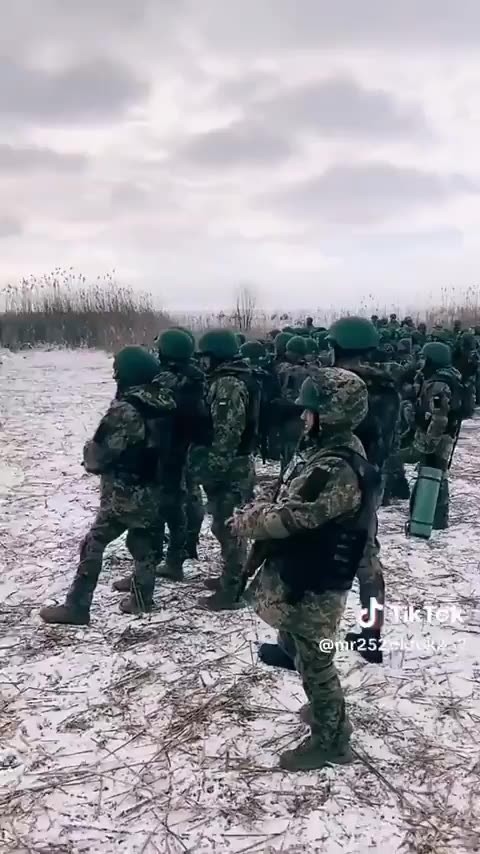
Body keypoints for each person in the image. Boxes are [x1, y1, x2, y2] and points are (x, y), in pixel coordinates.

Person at [229, 368, 378, 771]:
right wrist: (266, 500)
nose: (303, 418)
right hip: (307, 566)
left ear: (330, 414)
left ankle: (332, 738)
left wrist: (246, 520)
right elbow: (286, 488)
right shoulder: (329, 449)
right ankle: (325, 713)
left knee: (316, 659)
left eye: (310, 411)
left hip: (318, 577)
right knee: (294, 640)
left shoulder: (333, 467)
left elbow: (290, 518)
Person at [40, 346, 176, 625]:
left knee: (94, 542)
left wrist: (89, 454)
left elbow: (100, 454)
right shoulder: (165, 402)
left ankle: (77, 607)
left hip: (125, 492)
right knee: (144, 543)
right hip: (156, 487)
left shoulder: (125, 408)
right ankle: (141, 600)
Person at [328, 316, 400, 663]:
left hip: (339, 476)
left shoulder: (340, 386)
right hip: (373, 478)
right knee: (367, 557)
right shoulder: (388, 385)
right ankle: (371, 634)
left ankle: (302, 641)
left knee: (316, 554)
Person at [188, 329, 259, 610]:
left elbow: (228, 432)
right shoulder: (229, 378)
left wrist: (214, 469)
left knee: (230, 527)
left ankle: (232, 591)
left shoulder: (228, 384)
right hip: (231, 463)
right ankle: (230, 578)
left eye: (205, 357)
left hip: (231, 466)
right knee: (224, 525)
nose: (202, 362)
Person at [412, 342, 464, 529]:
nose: (421, 362)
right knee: (437, 472)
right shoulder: (448, 376)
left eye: (425, 358)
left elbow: (440, 417)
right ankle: (435, 517)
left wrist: (430, 441)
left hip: (439, 434)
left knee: (434, 472)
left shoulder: (439, 384)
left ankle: (434, 518)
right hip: (445, 432)